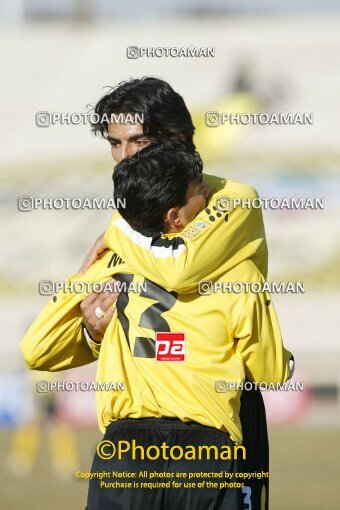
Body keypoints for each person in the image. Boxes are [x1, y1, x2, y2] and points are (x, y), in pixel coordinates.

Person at [21, 142, 293, 510]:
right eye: (199, 192)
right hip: (204, 452)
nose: (209, 193)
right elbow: (271, 373)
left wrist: (92, 331)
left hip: (125, 451)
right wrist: (284, 360)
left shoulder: (109, 264)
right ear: (175, 218)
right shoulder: (238, 272)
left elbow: (35, 350)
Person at [79, 77, 270, 507]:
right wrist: (91, 330)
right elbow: (39, 348)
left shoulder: (228, 198)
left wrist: (119, 233)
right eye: (114, 143)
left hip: (220, 412)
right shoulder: (129, 220)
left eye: (138, 141)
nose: (122, 156)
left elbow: (180, 268)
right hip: (139, 434)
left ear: (177, 139)